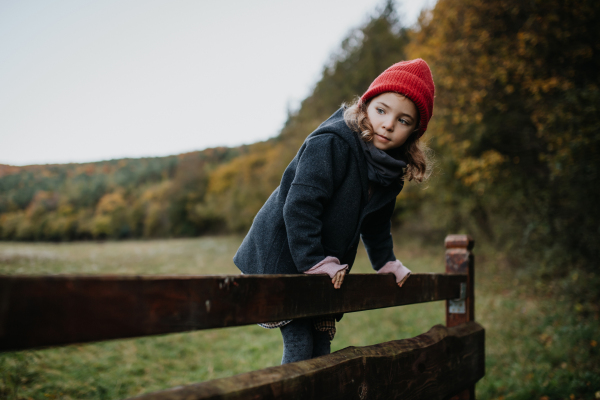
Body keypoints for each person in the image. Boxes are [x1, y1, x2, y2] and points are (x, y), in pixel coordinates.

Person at [233, 58, 435, 364]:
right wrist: (314, 261)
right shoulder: (332, 142)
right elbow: (300, 206)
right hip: (286, 254)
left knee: (322, 344)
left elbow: (377, 223)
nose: (389, 124)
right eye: (382, 110)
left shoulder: (388, 171)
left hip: (325, 263)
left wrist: (386, 262)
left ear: (414, 131)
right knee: (300, 341)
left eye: (403, 120)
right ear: (366, 105)